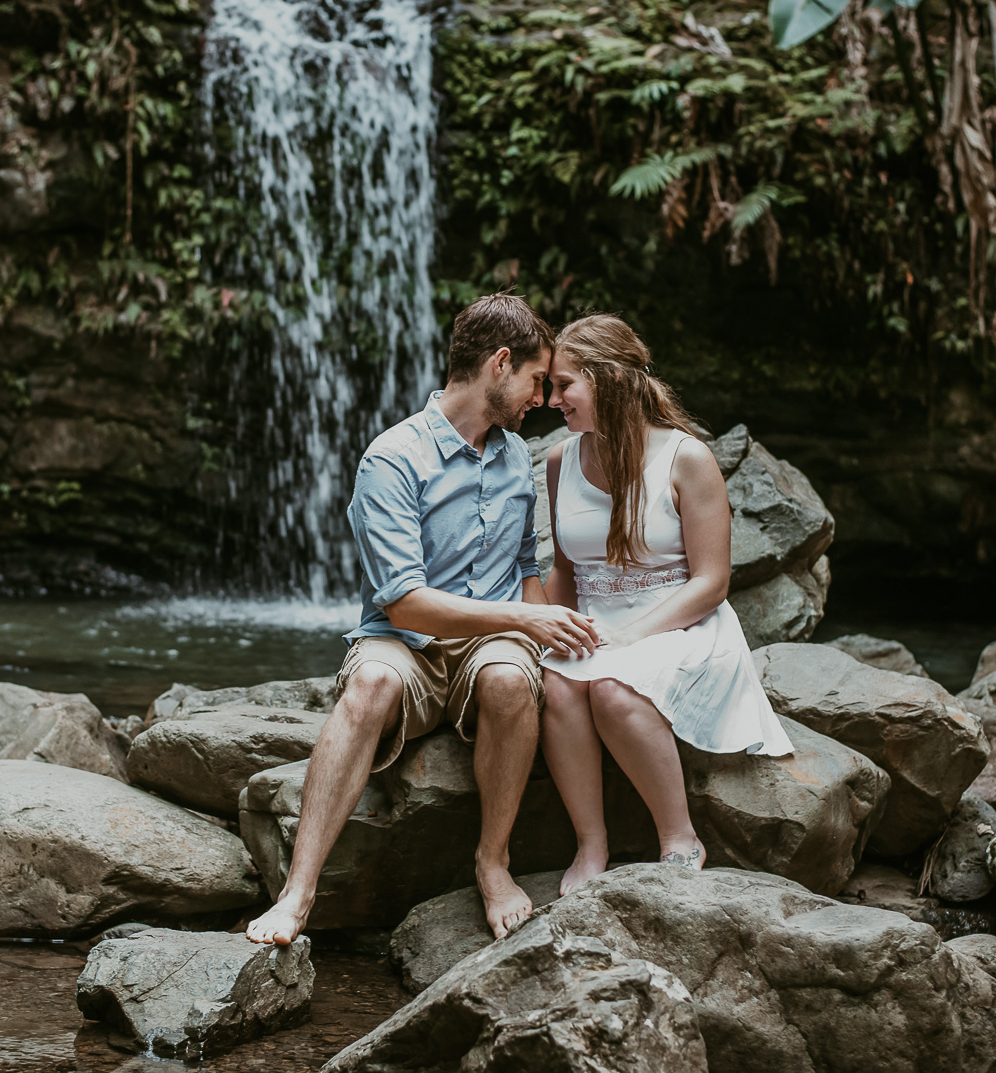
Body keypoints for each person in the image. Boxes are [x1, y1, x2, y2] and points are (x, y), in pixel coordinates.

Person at [245, 292, 605, 946]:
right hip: (402, 643)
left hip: (489, 648)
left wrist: (562, 633)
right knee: (369, 685)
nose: (541, 399)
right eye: (534, 381)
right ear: (500, 364)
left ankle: (491, 863)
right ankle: (297, 895)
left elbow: (527, 572)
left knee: (506, 678)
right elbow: (403, 601)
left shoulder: (515, 462)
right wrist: (523, 621)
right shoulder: (391, 459)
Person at [539, 314, 793, 896]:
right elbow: (564, 567)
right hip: (597, 619)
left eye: (563, 385)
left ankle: (680, 838)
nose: (552, 400)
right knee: (556, 685)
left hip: (682, 620)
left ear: (604, 380)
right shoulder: (559, 462)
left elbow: (712, 580)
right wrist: (548, 630)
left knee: (611, 687)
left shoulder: (687, 459)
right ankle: (591, 843)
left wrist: (633, 637)